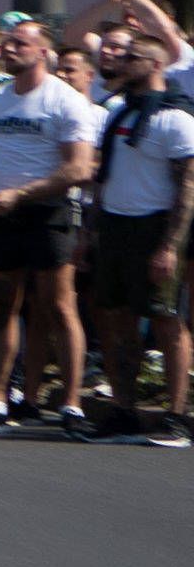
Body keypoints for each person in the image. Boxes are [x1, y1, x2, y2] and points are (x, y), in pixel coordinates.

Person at [0, 24, 99, 431]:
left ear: (42, 52)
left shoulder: (66, 101)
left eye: (19, 43)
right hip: (1, 216)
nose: (8, 49)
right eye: (7, 42)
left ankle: (72, 405)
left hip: (48, 214)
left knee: (59, 307)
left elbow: (77, 168)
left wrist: (20, 195)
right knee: (0, 306)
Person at [83, 32, 193, 442]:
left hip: (154, 226)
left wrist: (169, 245)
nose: (123, 62)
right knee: (115, 318)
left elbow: (188, 186)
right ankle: (123, 410)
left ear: (156, 65)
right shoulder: (118, 113)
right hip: (114, 223)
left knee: (166, 320)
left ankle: (176, 415)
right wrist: (89, 231)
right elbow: (103, 178)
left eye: (133, 57)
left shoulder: (177, 118)